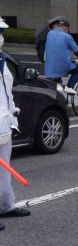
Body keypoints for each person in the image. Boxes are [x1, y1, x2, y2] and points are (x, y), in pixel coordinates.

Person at [0, 20, 31, 231]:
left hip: (4, 123)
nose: (1, 35)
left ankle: (6, 205)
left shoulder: (2, 59)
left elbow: (6, 91)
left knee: (5, 169)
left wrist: (13, 112)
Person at [44, 20, 78, 95]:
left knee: (56, 76)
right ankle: (69, 87)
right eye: (68, 30)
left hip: (48, 67)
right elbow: (76, 50)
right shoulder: (67, 36)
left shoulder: (49, 34)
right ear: (66, 29)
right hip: (62, 66)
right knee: (77, 71)